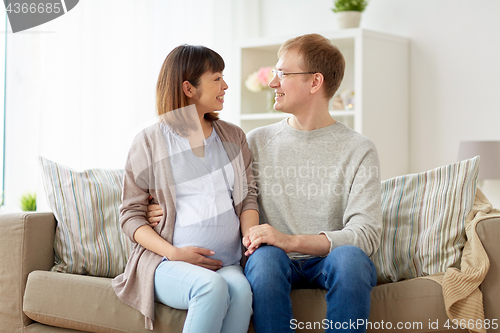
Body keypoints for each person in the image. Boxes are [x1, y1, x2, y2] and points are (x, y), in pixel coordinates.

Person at [147, 34, 382, 333]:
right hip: (272, 260)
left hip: (329, 260)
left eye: (282, 74)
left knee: (351, 259)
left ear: (315, 82)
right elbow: (212, 190)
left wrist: (291, 240)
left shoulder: (359, 149)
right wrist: (158, 205)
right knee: (266, 258)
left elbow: (365, 235)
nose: (272, 82)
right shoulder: (255, 141)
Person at [112, 44, 259, 333]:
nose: (225, 85)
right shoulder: (150, 141)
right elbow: (130, 215)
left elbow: (247, 199)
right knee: (210, 288)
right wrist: (174, 253)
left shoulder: (233, 136)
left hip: (227, 262)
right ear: (189, 88)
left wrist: (250, 241)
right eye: (217, 78)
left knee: (241, 292)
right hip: (167, 262)